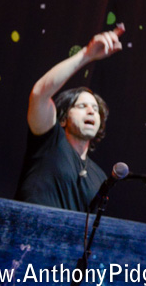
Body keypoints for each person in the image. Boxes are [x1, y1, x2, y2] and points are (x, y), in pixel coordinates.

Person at [15, 25, 125, 212]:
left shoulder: (99, 176)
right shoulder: (49, 143)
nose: (91, 111)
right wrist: (87, 55)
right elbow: (39, 94)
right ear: (64, 118)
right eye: (82, 106)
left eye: (95, 109)